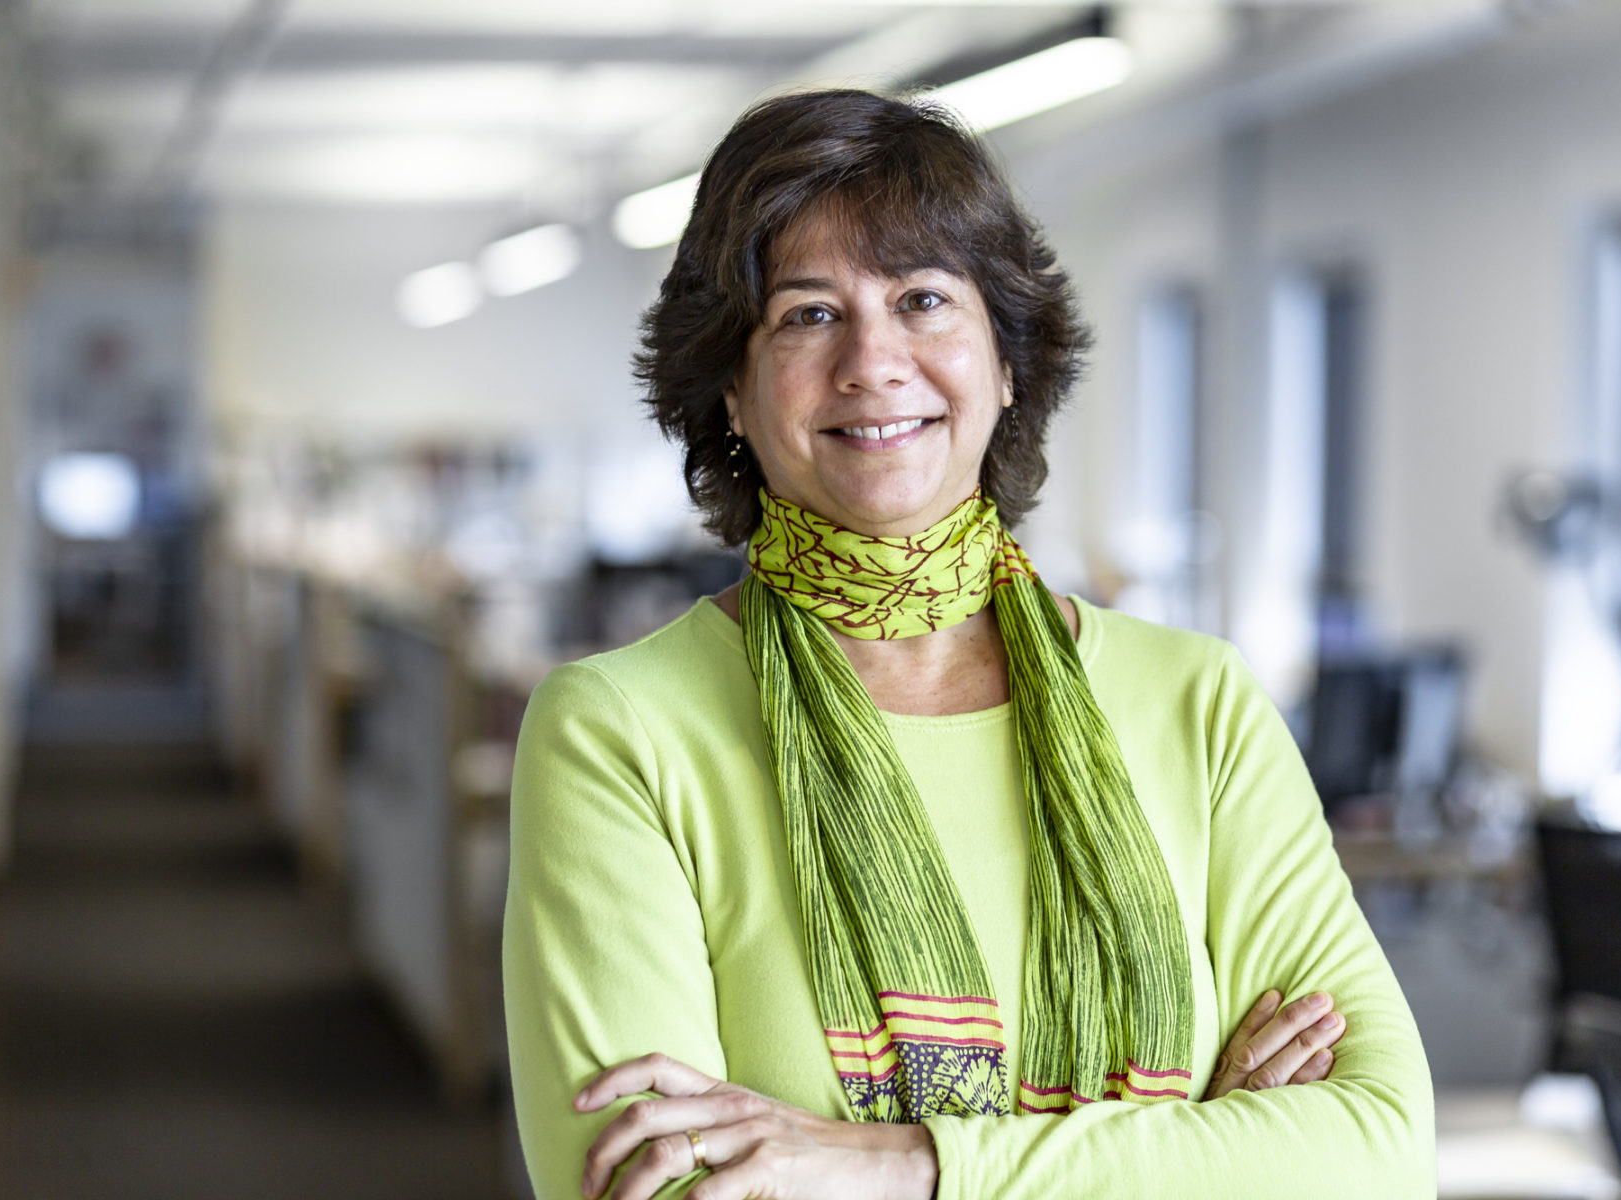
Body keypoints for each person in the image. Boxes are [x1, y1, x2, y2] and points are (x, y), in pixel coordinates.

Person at [503, 90, 1434, 1200]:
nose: (873, 361)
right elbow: (650, 1190)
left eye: (924, 300)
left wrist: (895, 1164)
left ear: (1006, 364)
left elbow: (1377, 1152)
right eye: (807, 314)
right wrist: (1201, 1143)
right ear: (733, 393)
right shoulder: (621, 733)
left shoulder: (1199, 703)